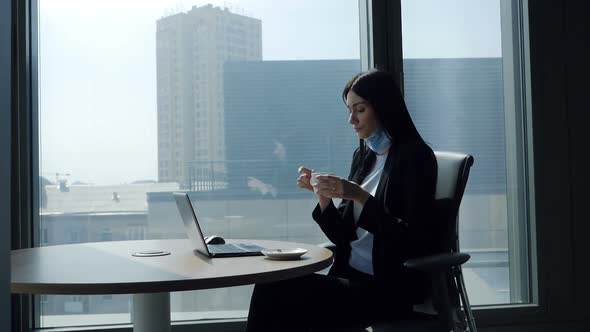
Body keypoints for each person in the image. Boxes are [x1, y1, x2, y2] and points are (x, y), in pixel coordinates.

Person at [246, 69, 439, 331]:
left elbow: (410, 239)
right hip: (351, 278)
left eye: (359, 109)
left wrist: (358, 195)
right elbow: (343, 236)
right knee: (272, 286)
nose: (351, 119)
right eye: (349, 110)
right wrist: (323, 197)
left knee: (277, 294)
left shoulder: (415, 158)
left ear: (383, 107)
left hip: (385, 288)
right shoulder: (364, 157)